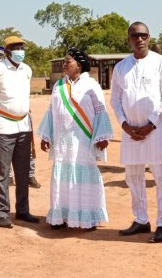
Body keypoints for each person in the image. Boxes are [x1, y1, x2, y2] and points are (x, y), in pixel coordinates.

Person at [110, 21, 162, 243]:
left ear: (149, 37)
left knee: (161, 178)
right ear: (128, 38)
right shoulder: (121, 67)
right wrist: (125, 125)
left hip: (155, 131)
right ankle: (141, 219)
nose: (140, 39)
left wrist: (150, 125)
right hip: (130, 133)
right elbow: (115, 100)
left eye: (144, 35)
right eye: (135, 36)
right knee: (133, 177)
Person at [38, 47, 112, 231]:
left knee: (84, 176)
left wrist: (102, 136)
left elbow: (100, 111)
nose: (64, 64)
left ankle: (88, 218)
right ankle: (61, 216)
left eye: (67, 61)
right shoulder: (59, 86)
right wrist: (47, 135)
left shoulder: (91, 85)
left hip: (83, 140)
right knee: (62, 175)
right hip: (63, 141)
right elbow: (51, 111)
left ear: (78, 65)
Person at [0, 36, 39, 228]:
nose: (21, 50)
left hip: (23, 127)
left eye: (23, 47)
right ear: (8, 51)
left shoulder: (26, 70)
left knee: (22, 171)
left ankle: (23, 210)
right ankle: (2, 213)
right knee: (2, 172)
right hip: (1, 127)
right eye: (17, 47)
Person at [0, 46, 41, 188]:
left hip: (22, 115)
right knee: (4, 152)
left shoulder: (21, 70)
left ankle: (29, 175)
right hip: (0, 117)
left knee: (27, 148)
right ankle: (8, 177)